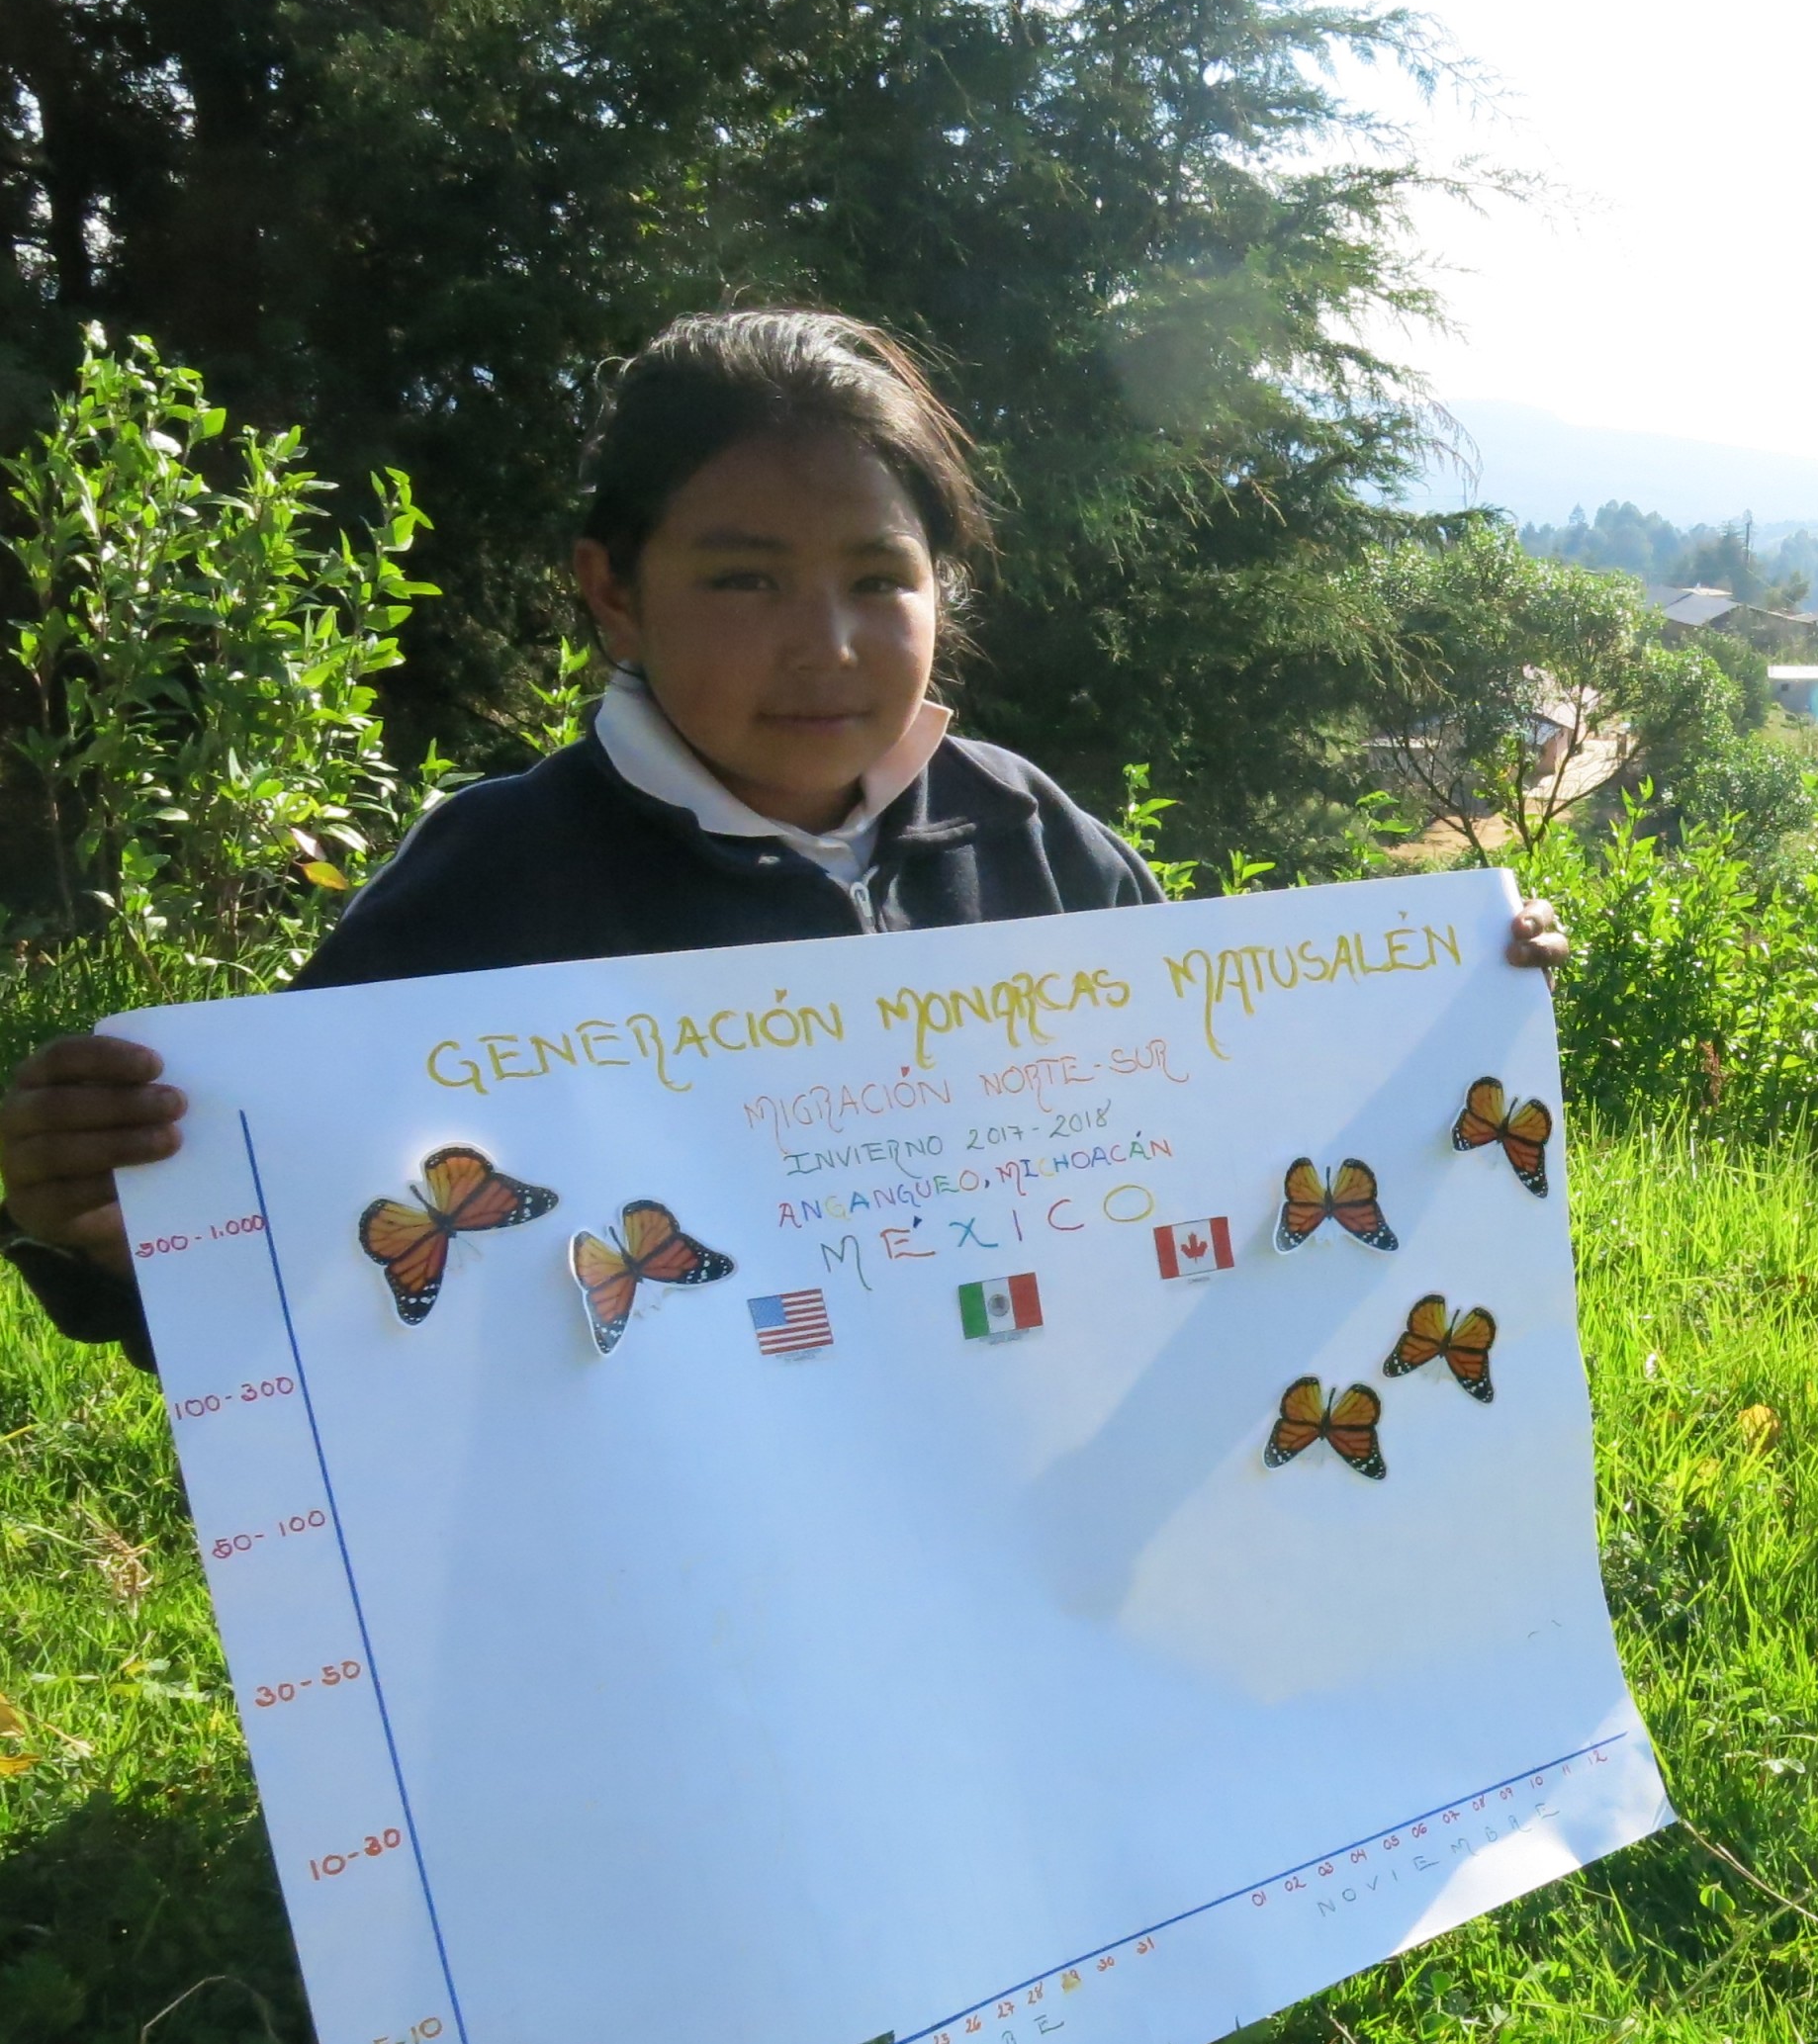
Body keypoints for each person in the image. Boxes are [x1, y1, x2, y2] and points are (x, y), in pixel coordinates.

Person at [0, 309, 1565, 1365]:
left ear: (943, 588)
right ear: (613, 589)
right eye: (744, 579)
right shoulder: (491, 886)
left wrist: (1448, 1018)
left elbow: (1217, 1149)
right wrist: (105, 1235)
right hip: (659, 1573)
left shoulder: (1031, 841)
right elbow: (323, 1283)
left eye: (879, 579)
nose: (825, 646)